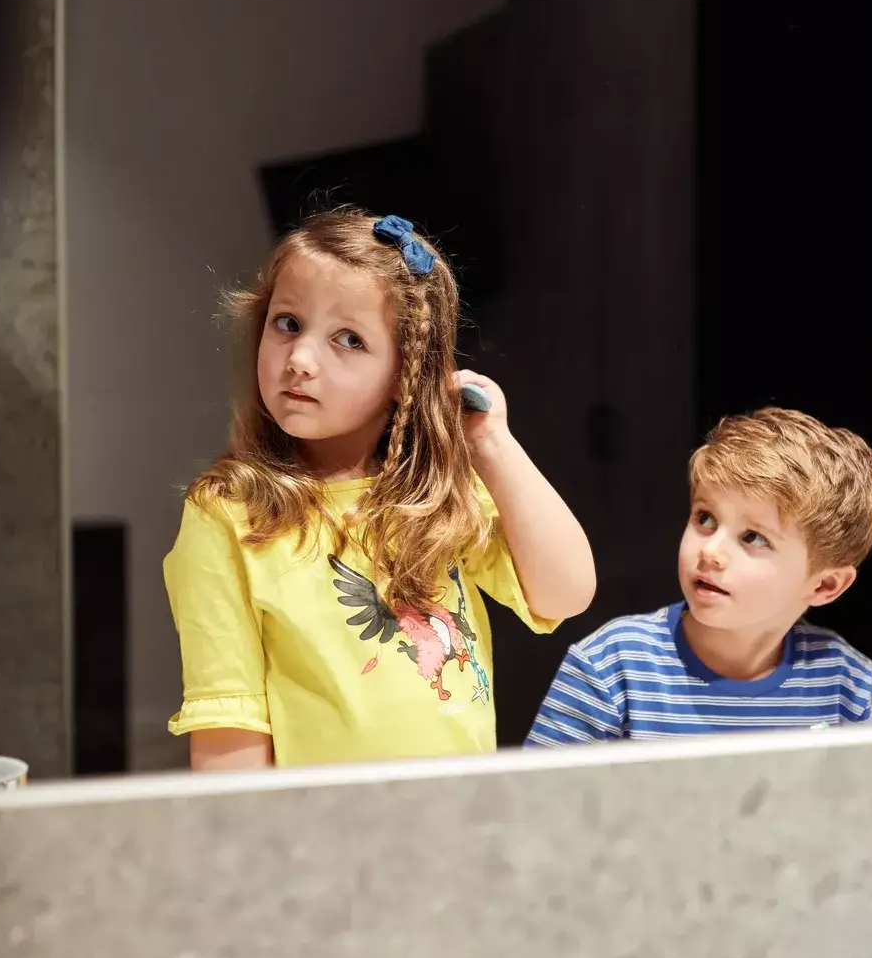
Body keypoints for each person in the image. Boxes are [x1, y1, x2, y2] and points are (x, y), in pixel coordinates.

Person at [163, 210, 596, 769]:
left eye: (349, 339)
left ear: (405, 374)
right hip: (325, 823)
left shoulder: (438, 496)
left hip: (458, 812)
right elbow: (229, 726)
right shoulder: (228, 513)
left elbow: (565, 593)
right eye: (287, 323)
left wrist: (492, 442)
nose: (300, 360)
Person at [525, 408, 872, 745]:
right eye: (705, 518)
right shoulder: (610, 666)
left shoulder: (845, 686)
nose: (710, 551)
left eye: (753, 537)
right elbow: (537, 793)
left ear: (824, 585)